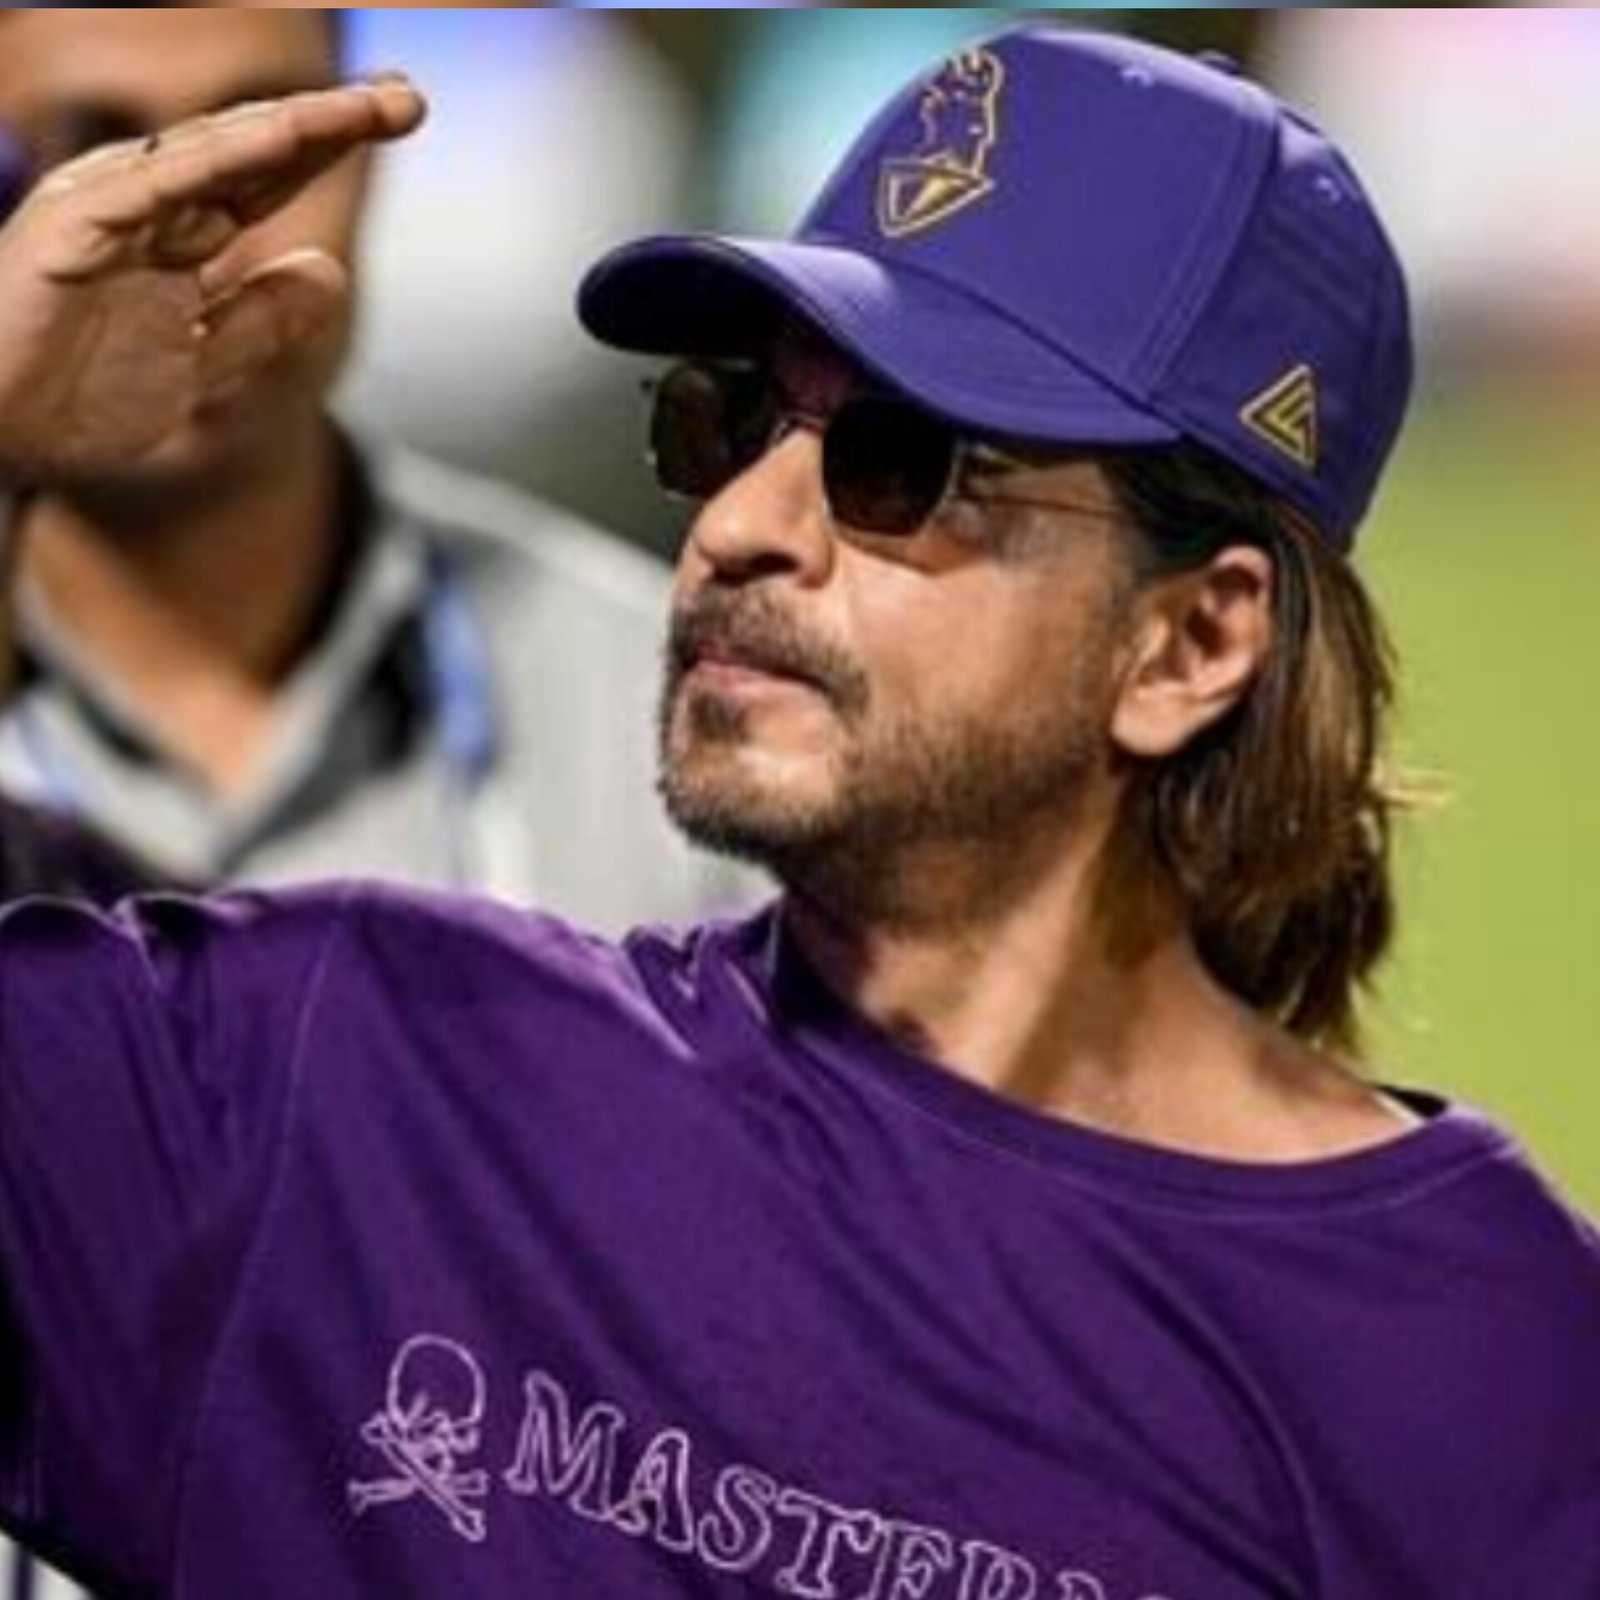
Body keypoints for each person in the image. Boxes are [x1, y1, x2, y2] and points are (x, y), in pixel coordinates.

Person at [0, 27, 1597, 1600]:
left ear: (1191, 643)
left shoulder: (1477, 1367)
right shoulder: (343, 1076)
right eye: (738, 421)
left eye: (902, 461)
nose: (739, 524)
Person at [0, 5, 733, 933]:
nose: (201, 245)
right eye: (95, 147)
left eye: (271, 147)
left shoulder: (664, 688)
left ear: (367, 167)